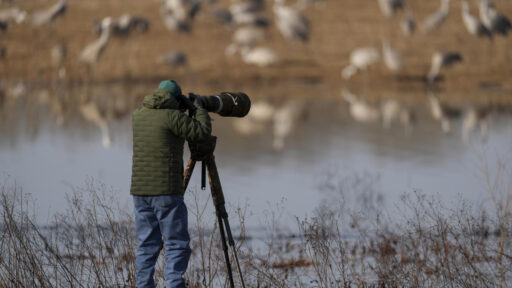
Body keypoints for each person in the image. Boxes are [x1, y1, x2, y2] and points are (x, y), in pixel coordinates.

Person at [130, 80, 212, 288]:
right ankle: (174, 285)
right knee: (177, 244)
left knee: (147, 245)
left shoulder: (138, 115)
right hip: (166, 191)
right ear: (175, 100)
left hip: (140, 193)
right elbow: (201, 132)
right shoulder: (172, 117)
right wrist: (199, 109)